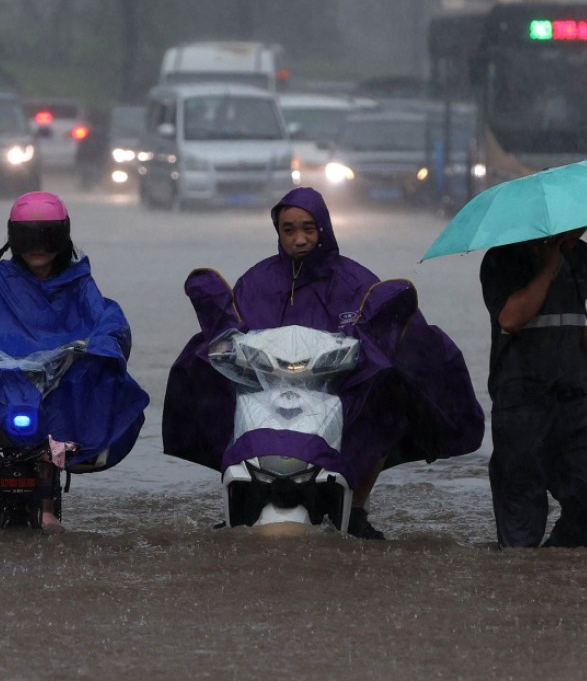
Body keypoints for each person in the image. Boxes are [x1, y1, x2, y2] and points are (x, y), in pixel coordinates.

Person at [163, 186, 483, 539]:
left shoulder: (355, 281)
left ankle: (356, 506)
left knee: (385, 403)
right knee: (210, 385)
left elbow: (384, 326)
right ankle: (240, 496)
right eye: (289, 230)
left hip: (339, 390)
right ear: (279, 233)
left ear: (324, 230)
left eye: (308, 229)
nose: (299, 239)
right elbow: (231, 333)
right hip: (265, 388)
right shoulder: (256, 282)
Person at [0, 192, 149, 536]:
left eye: (47, 237)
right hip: (8, 388)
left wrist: (104, 341)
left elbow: (105, 318)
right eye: (29, 237)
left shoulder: (79, 282)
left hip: (58, 389)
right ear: (13, 239)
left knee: (59, 418)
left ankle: (48, 509)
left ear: (62, 237)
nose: (38, 247)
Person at [480, 227, 587, 548]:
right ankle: (523, 587)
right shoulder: (501, 258)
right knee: (521, 526)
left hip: (573, 404)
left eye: (582, 228)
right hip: (520, 406)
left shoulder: (581, 255)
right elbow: (511, 318)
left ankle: (556, 583)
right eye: (573, 229)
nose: (580, 232)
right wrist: (549, 268)